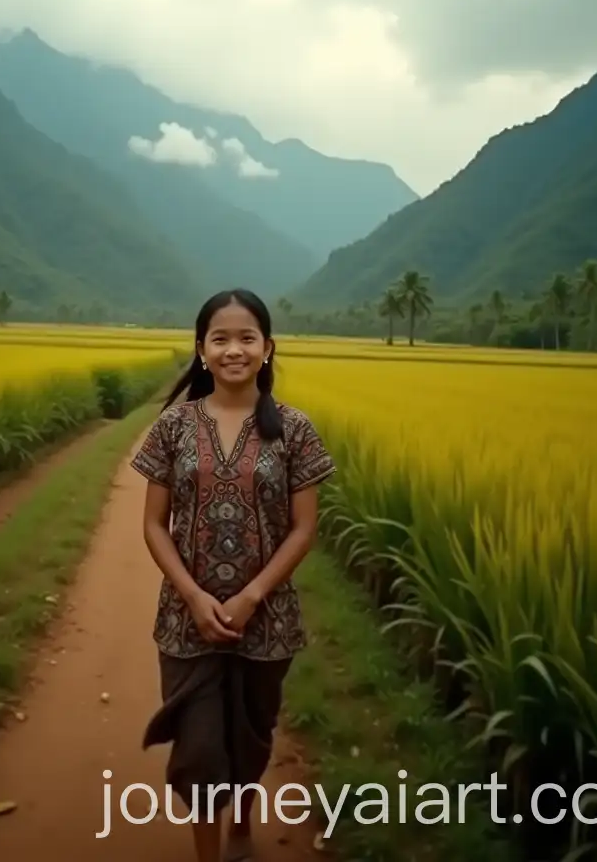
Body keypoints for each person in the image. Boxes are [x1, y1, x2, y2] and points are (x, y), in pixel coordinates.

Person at [131, 288, 336, 862]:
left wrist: (251, 595)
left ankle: (241, 823)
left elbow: (302, 530)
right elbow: (152, 524)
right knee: (198, 749)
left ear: (267, 348)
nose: (234, 349)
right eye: (220, 339)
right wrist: (194, 596)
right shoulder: (173, 426)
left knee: (251, 737)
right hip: (185, 619)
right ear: (201, 350)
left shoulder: (295, 431)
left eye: (247, 338)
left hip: (265, 619)